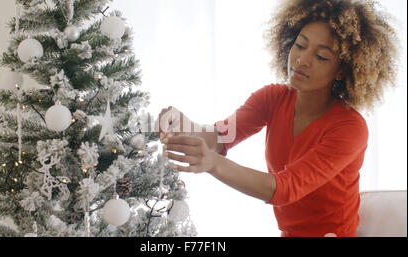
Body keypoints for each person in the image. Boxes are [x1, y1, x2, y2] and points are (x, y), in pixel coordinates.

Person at [156, 0, 399, 237]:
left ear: (341, 71)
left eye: (321, 57)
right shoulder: (273, 98)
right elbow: (223, 135)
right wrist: (185, 126)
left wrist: (213, 164)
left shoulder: (350, 128)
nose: (302, 60)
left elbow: (286, 188)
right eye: (300, 45)